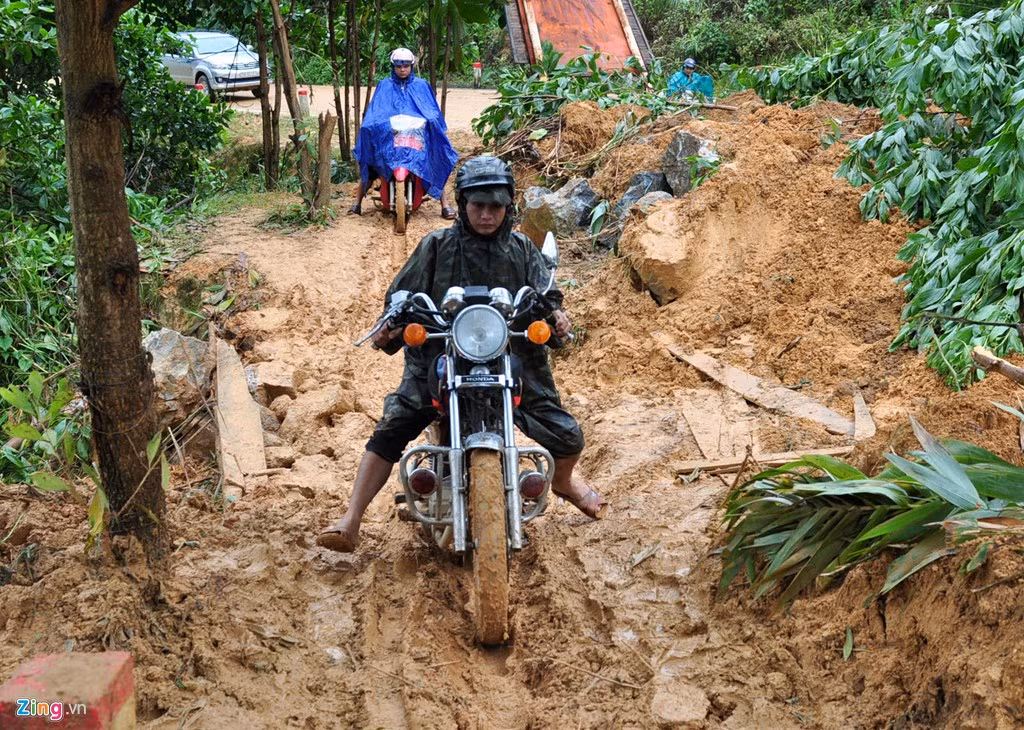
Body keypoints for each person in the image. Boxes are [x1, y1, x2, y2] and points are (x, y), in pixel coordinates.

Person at [317, 155, 609, 553]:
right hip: (441, 356)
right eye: (478, 205)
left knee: (567, 434)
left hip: (510, 356)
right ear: (463, 203)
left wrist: (557, 316)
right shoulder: (436, 246)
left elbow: (547, 295)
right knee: (392, 426)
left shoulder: (523, 249)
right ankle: (351, 518)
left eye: (496, 206)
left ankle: (563, 481)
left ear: (508, 207)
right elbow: (400, 295)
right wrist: (391, 323)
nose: (486, 215)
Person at [349, 48, 458, 219]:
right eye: (399, 66)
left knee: (433, 156)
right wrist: (373, 125)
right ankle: (357, 203)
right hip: (389, 136)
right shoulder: (384, 85)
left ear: (411, 66)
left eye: (406, 66)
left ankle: (445, 204)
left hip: (416, 135)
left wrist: (430, 122)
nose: (402, 69)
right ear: (393, 66)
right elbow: (376, 112)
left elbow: (431, 111)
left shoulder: (421, 86)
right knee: (369, 151)